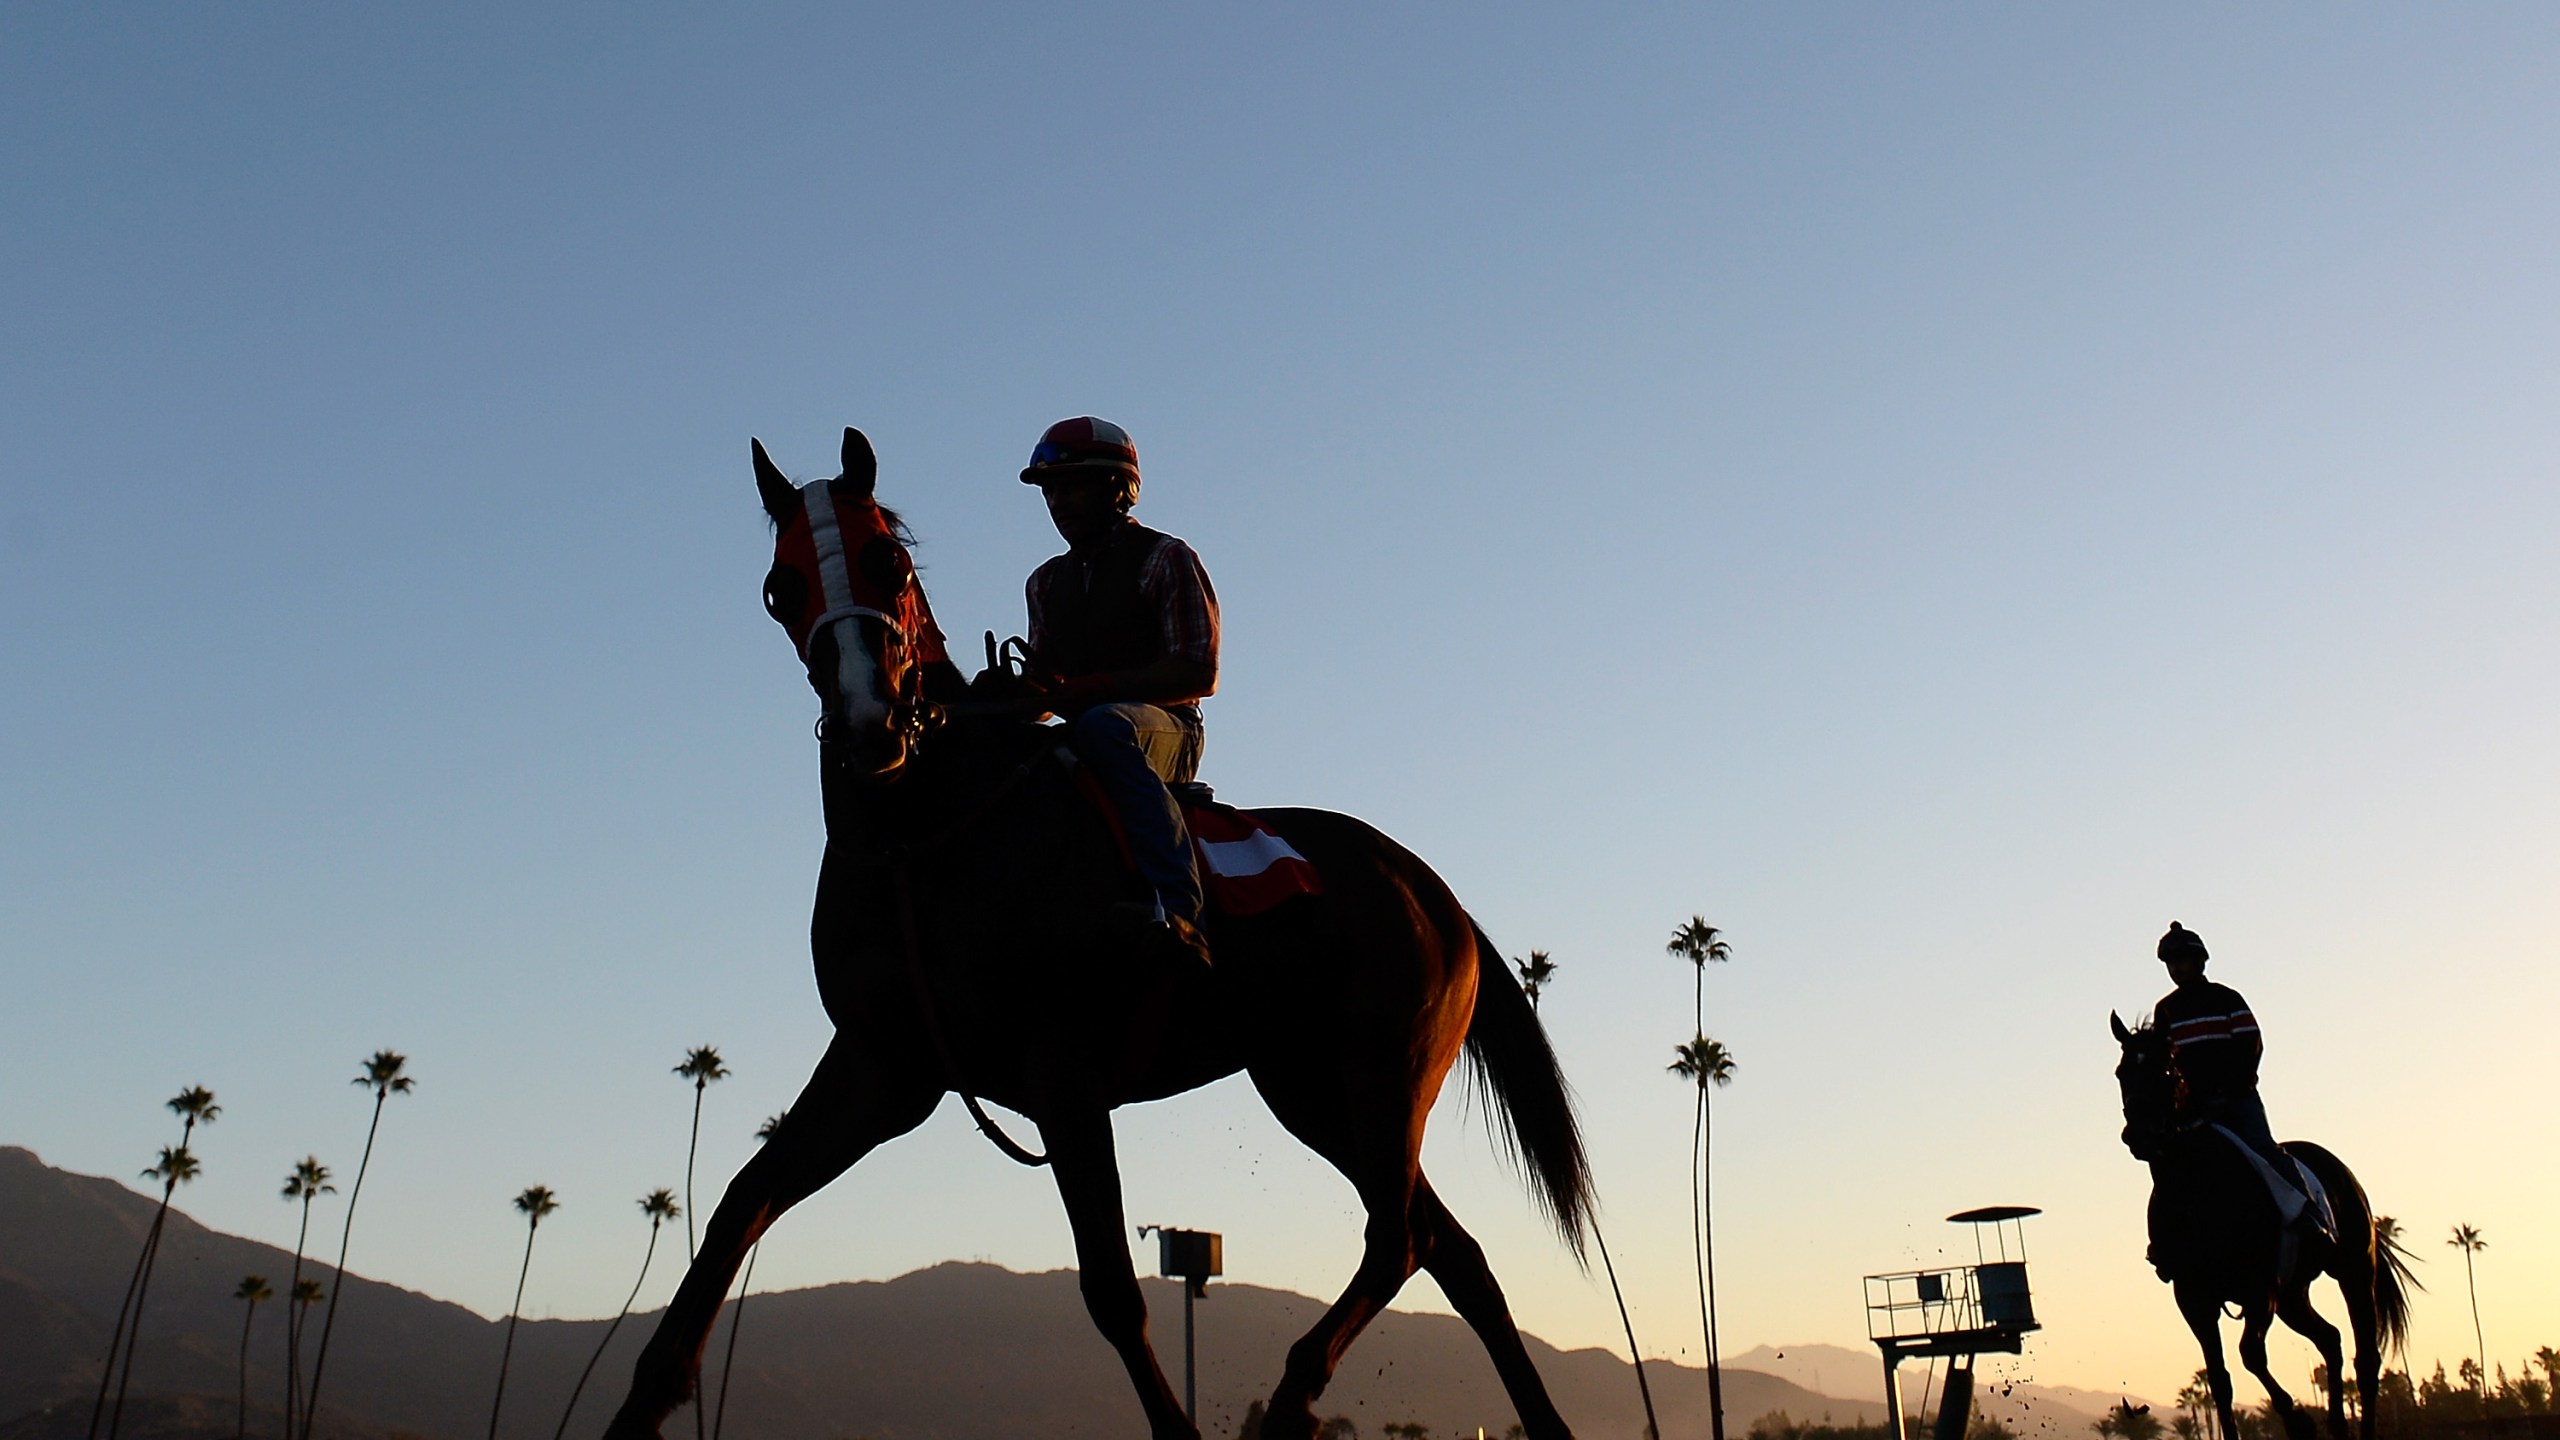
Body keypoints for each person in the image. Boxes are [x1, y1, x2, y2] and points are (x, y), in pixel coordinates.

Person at [1016, 416, 1219, 966]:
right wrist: (1012, 697)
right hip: (1084, 732)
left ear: (1118, 489)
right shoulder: (1044, 583)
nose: (1059, 501)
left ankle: (1181, 912)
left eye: (1074, 485)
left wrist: (1099, 688)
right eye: (1051, 490)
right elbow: (1043, 688)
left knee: (1106, 725)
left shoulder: (1166, 558)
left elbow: (1198, 672)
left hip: (1167, 731)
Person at [2150, 921, 2321, 1226]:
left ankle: (2310, 1213)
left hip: (2237, 1098)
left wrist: (2231, 1087)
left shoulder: (2227, 999)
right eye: (2170, 964)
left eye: (2181, 961)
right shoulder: (2165, 1010)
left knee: (2263, 1147)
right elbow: (2162, 1062)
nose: (2176, 969)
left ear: (2198, 962)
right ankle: (2164, 1238)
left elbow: (2250, 1043)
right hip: (2191, 1108)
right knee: (2169, 1161)